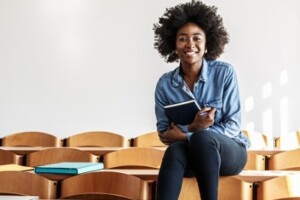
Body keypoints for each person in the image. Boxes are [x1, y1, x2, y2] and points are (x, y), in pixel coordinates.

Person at [153, 1, 250, 200]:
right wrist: (190, 130)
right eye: (182, 39)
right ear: (174, 44)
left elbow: (232, 125)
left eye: (197, 38)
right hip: (191, 155)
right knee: (174, 151)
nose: (190, 45)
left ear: (207, 44)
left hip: (230, 153)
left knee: (201, 137)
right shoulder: (164, 85)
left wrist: (189, 132)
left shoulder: (224, 73)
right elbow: (165, 134)